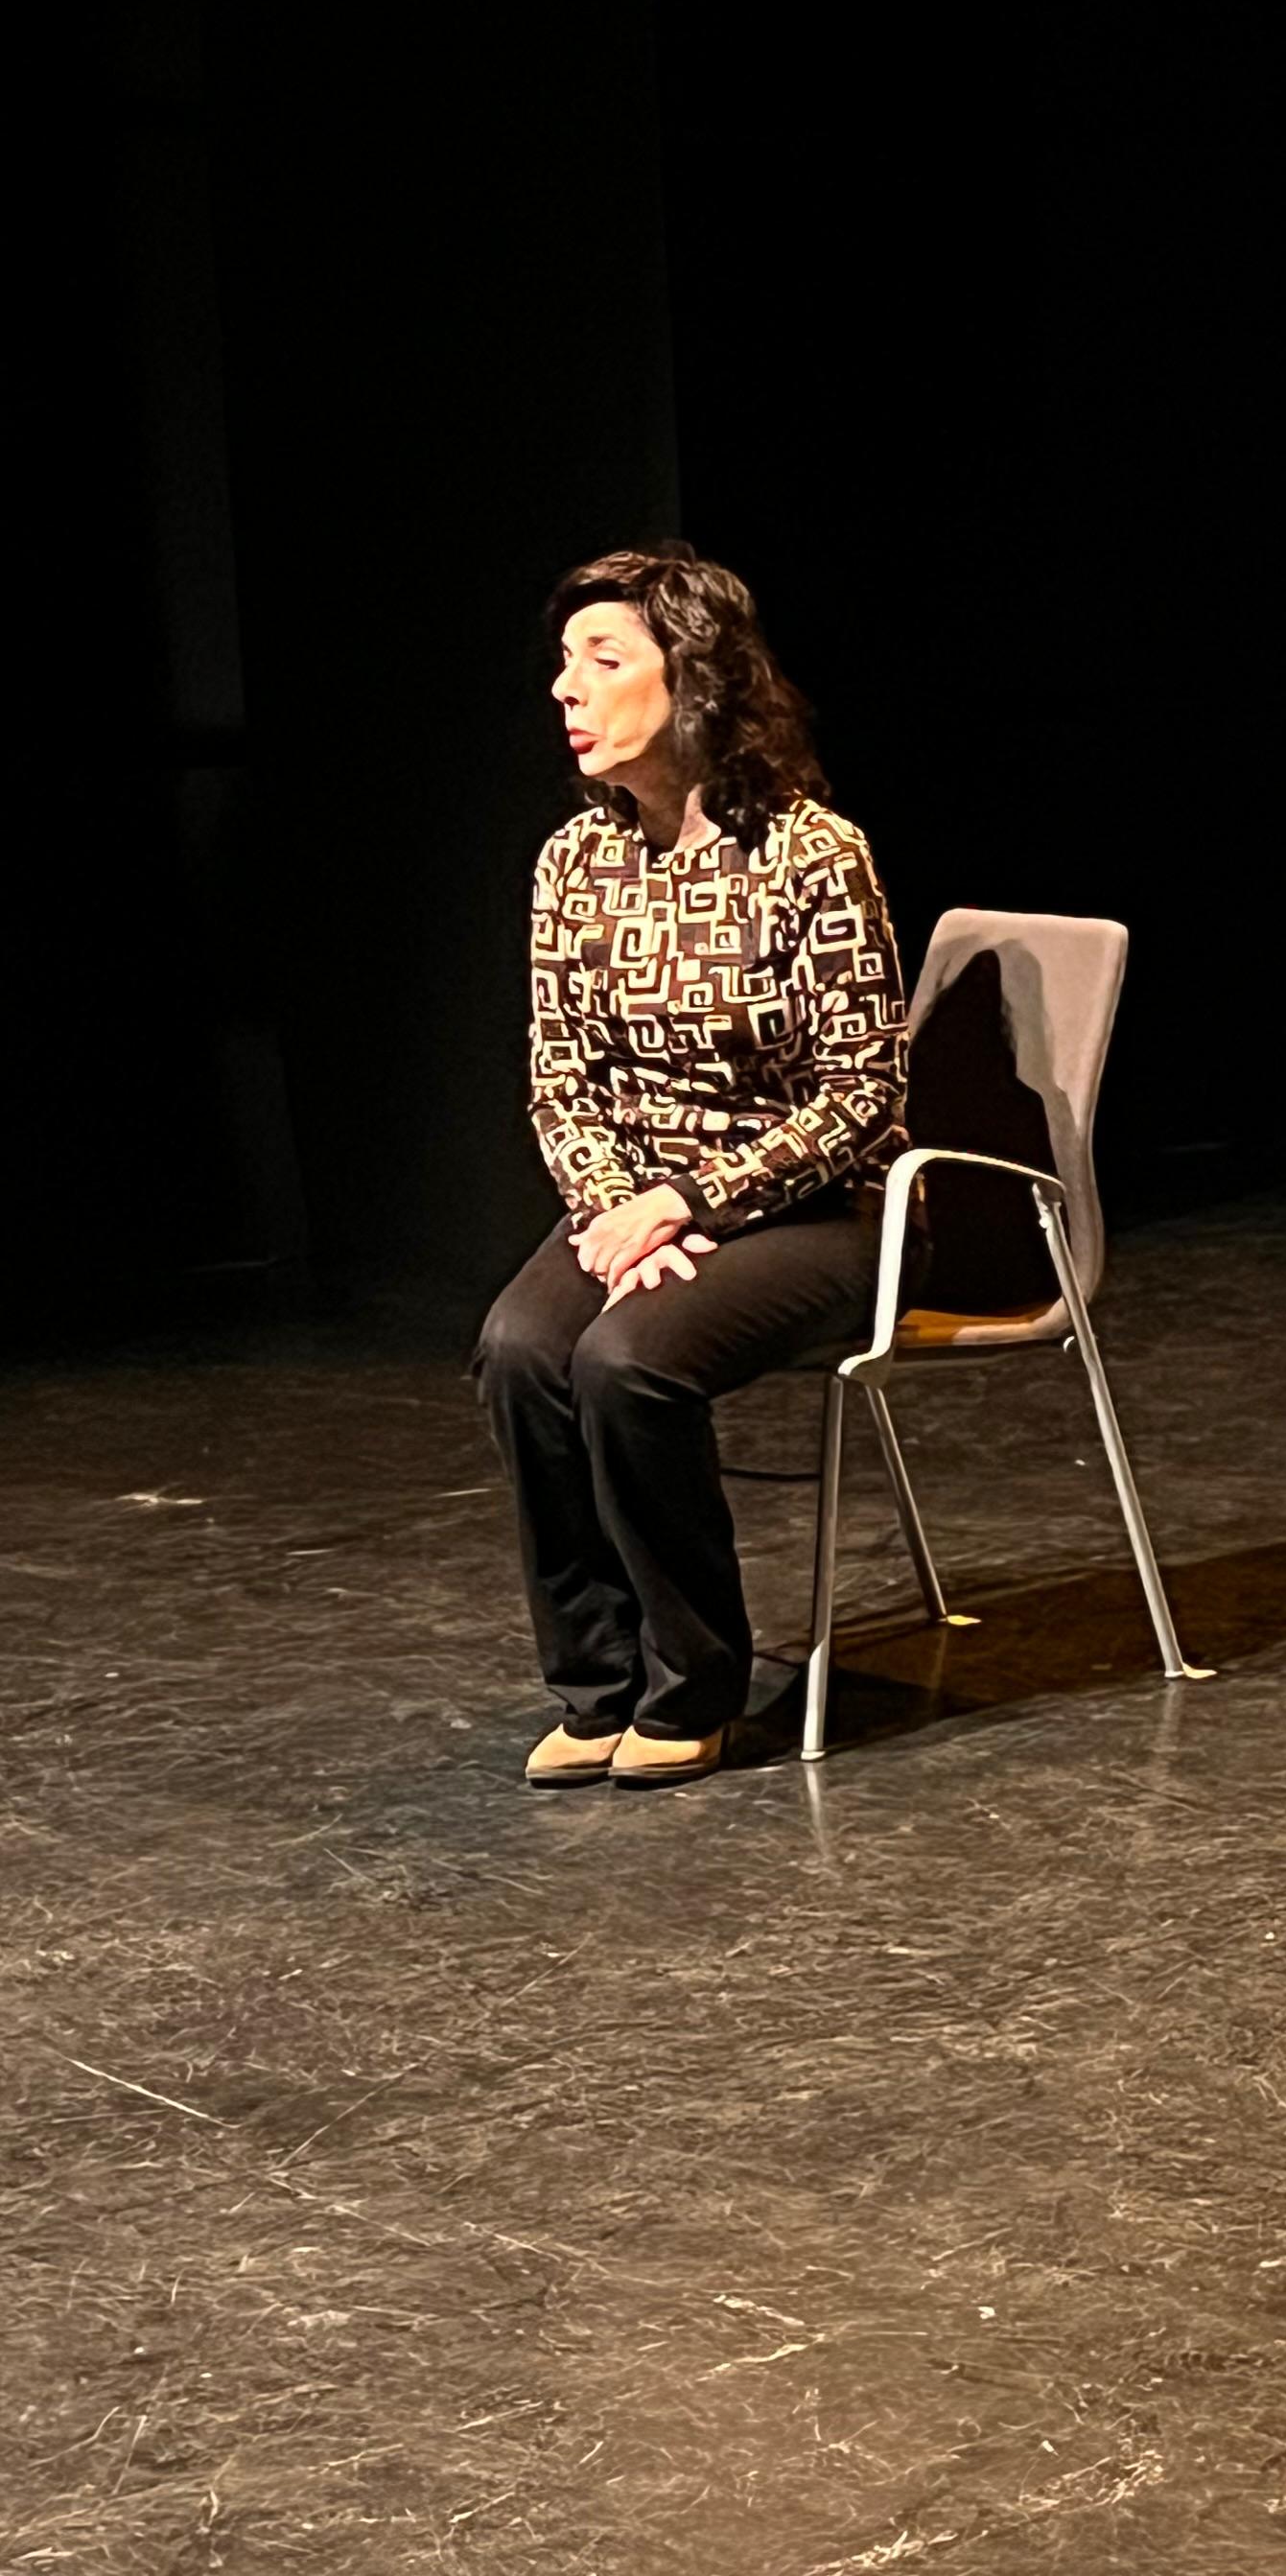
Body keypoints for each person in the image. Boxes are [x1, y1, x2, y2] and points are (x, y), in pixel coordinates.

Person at [472, 546, 909, 1789]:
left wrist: (692, 1201)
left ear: (696, 681)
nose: (566, 688)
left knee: (626, 1363)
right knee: (520, 1350)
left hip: (817, 1207)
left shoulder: (813, 854)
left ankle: (694, 1680)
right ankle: (596, 1681)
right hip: (638, 1207)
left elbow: (863, 1095)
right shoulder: (574, 861)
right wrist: (621, 1209)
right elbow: (561, 1079)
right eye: (563, 662)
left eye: (603, 660)